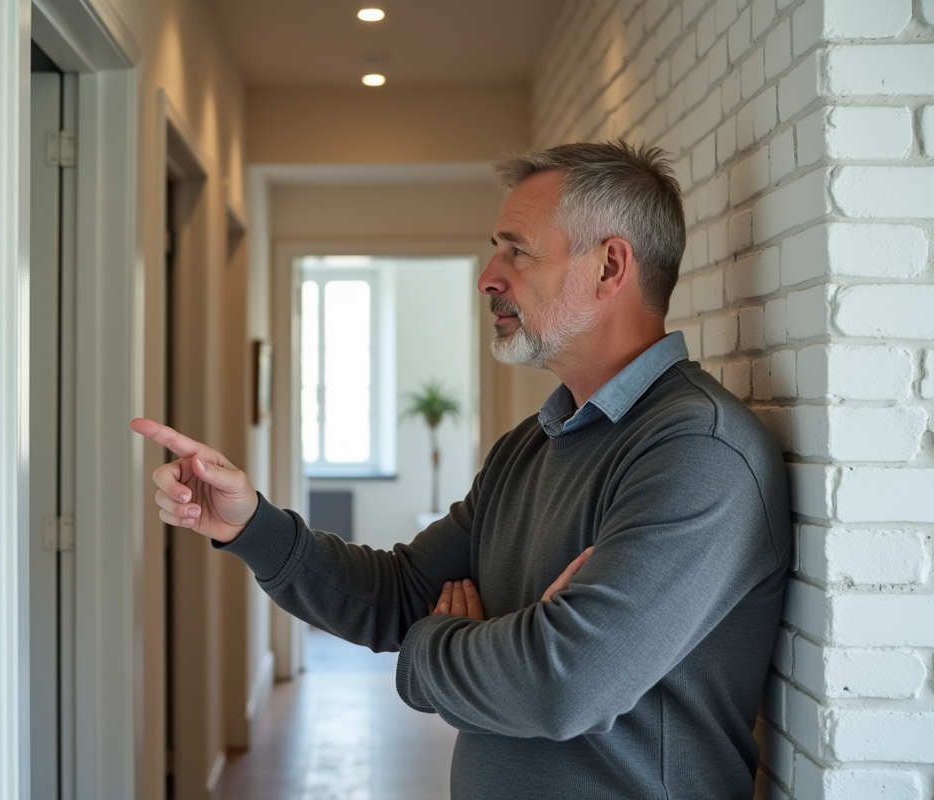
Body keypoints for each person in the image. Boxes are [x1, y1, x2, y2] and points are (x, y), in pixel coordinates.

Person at [131, 140, 791, 799]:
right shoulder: (528, 448)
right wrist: (250, 524)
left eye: (517, 250)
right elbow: (396, 594)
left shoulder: (698, 451)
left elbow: (560, 684)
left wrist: (432, 648)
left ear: (609, 266)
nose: (488, 277)